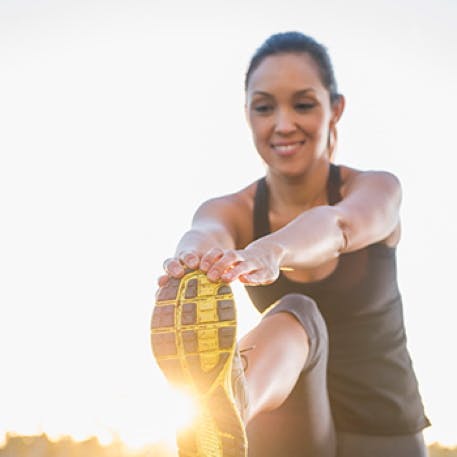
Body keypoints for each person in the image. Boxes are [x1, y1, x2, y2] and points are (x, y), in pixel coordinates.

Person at [151, 31, 430, 457]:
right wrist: (193, 258)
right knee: (296, 315)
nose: (283, 124)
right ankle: (226, 407)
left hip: (385, 435)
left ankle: (228, 402)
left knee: (300, 308)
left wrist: (270, 251)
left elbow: (337, 226)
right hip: (292, 435)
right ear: (247, 115)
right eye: (265, 108)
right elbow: (205, 229)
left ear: (335, 109)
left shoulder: (375, 189)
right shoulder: (235, 209)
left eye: (302, 104)